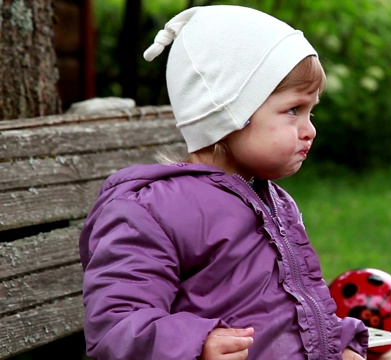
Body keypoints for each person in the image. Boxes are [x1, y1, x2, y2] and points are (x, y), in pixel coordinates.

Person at [78, 5, 369, 360]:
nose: (310, 130)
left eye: (311, 111)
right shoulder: (153, 212)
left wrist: (339, 344)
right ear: (230, 111)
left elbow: (294, 308)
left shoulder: (274, 202)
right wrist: (198, 344)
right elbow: (115, 327)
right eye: (293, 110)